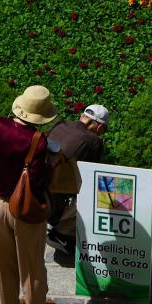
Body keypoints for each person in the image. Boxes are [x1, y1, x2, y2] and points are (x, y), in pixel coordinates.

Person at [0, 85, 58, 304]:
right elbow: (37, 182)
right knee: (31, 264)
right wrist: (51, 163)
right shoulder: (38, 141)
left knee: (3, 261)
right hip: (25, 209)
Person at [45, 104, 109, 254]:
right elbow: (90, 176)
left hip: (34, 189)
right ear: (100, 128)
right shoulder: (93, 141)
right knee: (99, 194)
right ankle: (62, 233)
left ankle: (57, 225)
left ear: (82, 116)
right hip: (54, 205)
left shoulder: (60, 123)